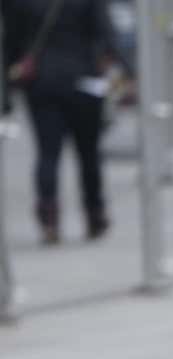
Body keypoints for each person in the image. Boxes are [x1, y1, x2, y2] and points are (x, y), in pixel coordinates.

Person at [2, 0, 128, 244]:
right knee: (89, 153)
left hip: (41, 83)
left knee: (48, 152)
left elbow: (10, 43)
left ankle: (49, 217)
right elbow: (107, 33)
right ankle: (95, 213)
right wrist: (130, 71)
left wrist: (6, 93)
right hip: (84, 79)